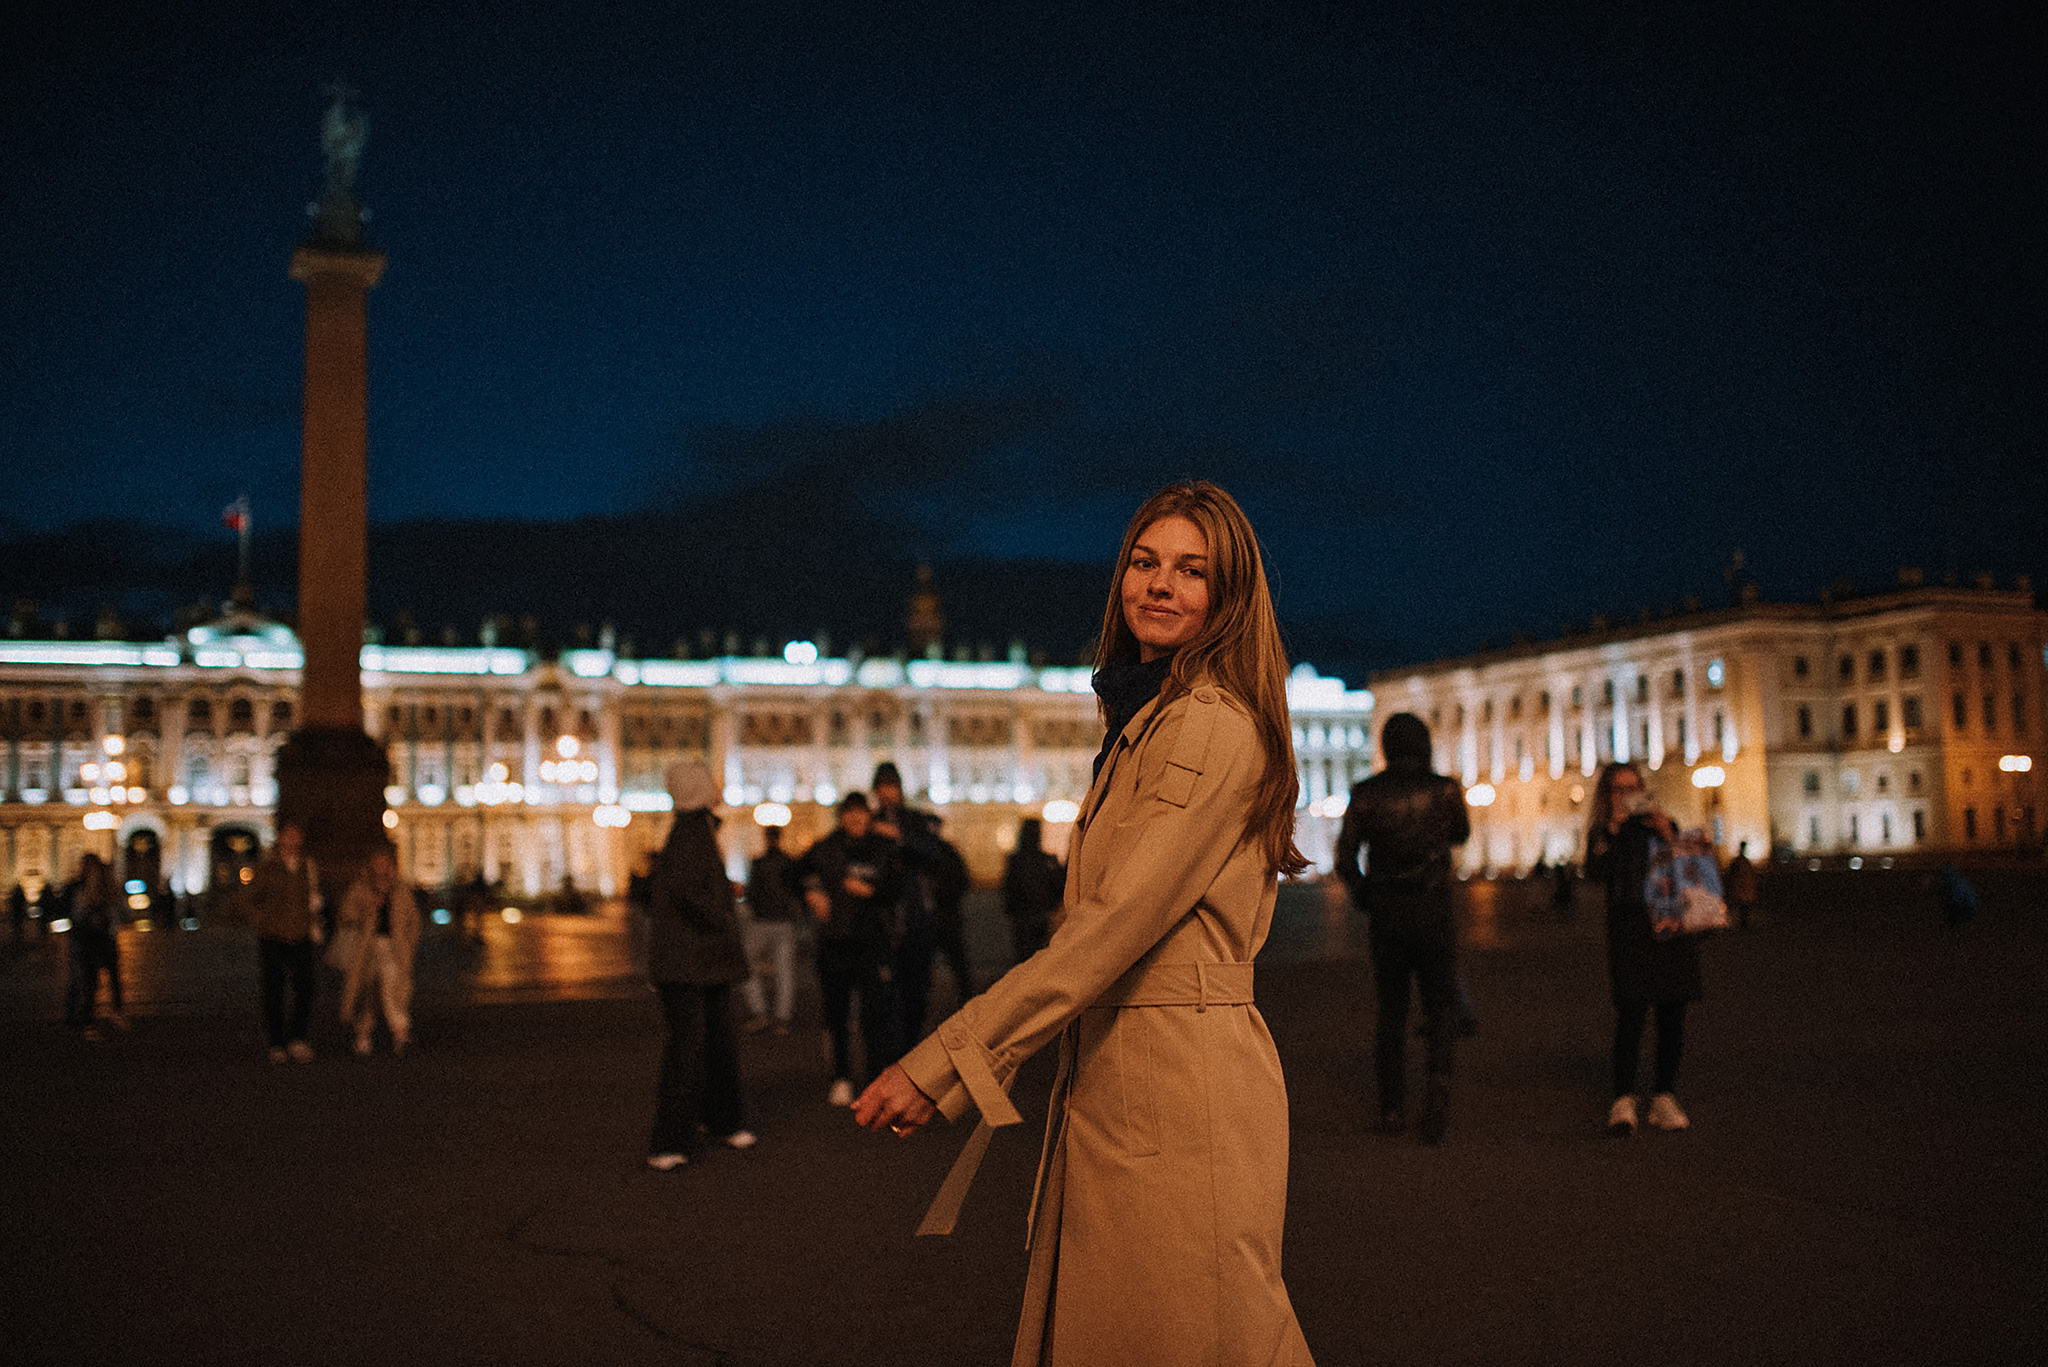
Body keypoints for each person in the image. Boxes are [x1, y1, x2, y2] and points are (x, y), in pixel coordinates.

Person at [854, 480, 1317, 1366]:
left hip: (1176, 1085)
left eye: (1191, 569)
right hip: (1129, 1071)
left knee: (1202, 1335)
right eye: (1144, 562)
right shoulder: (1147, 721)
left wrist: (950, 1056)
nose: (1159, 584)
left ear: (1230, 595)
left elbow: (1108, 931)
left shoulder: (1204, 728)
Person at [1333, 713, 1472, 1144]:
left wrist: (1366, 895)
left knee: (1391, 1010)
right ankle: (1437, 1095)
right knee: (1439, 1006)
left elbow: (1345, 858)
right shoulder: (1444, 789)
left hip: (1388, 917)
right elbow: (1462, 834)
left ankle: (1392, 1106)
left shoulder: (1365, 794)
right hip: (1434, 912)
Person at [643, 761, 756, 1168]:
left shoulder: (696, 830)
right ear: (698, 789)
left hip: (699, 960)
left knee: (715, 1041)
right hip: (690, 961)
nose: (718, 786)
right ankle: (669, 1141)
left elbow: (688, 887)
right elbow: (689, 893)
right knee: (689, 1048)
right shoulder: (693, 832)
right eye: (710, 781)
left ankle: (720, 1121)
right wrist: (724, 913)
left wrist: (722, 891)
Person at [1585, 761, 1701, 1134]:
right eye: (1619, 789)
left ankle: (1664, 1096)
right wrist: (1616, 827)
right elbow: (1595, 871)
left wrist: (1670, 833)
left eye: (1633, 787)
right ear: (1608, 795)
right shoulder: (1605, 832)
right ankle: (1624, 1099)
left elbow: (1686, 866)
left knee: (1672, 1012)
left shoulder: (1659, 824)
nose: (1628, 795)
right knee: (1631, 1013)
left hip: (1668, 924)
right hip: (1630, 929)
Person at [794, 792, 906, 1106]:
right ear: (841, 816)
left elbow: (898, 888)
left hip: (873, 942)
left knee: (874, 1015)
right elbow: (792, 874)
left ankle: (873, 1078)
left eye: (861, 812)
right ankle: (841, 1076)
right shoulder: (825, 847)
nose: (855, 818)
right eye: (849, 812)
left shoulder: (882, 849)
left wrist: (872, 891)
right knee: (836, 1015)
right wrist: (811, 892)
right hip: (835, 942)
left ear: (869, 816)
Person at [871, 761, 948, 1045]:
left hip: (916, 917)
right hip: (883, 919)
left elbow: (931, 851)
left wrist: (899, 837)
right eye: (882, 787)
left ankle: (910, 1046)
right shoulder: (869, 822)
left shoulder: (915, 820)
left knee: (916, 991)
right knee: (886, 994)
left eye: (892, 786)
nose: (888, 793)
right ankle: (891, 1053)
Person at [247, 823, 323, 1063]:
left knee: (305, 988)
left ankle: (298, 1038)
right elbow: (248, 898)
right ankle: (276, 1042)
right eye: (288, 835)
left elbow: (315, 895)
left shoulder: (308, 866)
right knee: (273, 990)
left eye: (296, 835)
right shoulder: (266, 866)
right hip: (272, 936)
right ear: (279, 838)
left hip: (301, 935)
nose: (292, 840)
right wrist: (262, 921)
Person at [337, 844, 421, 1057]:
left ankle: (400, 1032)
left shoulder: (400, 890)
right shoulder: (361, 888)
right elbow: (345, 913)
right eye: (377, 862)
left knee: (393, 988)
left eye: (385, 862)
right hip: (366, 948)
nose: (381, 866)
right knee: (367, 992)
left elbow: (413, 919)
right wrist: (366, 910)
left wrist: (409, 944)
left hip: (393, 948)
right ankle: (363, 1034)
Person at [740, 823, 802, 1036]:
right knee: (785, 971)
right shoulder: (789, 863)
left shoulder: (759, 863)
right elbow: (798, 892)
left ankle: (760, 1012)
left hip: (762, 921)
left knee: (746, 965)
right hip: (784, 922)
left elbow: (751, 894)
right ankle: (782, 1018)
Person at [65, 853, 127, 1038]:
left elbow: (116, 913)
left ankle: (109, 1013)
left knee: (108, 978)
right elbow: (76, 913)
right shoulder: (80, 887)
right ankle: (84, 1017)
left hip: (100, 939)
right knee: (86, 980)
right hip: (87, 940)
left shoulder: (104, 889)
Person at [999, 817, 1063, 965]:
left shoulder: (1016, 860)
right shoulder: (1044, 860)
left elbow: (1009, 888)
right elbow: (1057, 884)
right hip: (1037, 914)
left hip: (1024, 915)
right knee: (1038, 957)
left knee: (1024, 958)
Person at [1724, 841, 1759, 929]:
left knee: (1744, 906)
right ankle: (1743, 923)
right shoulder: (1740, 861)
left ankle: (1744, 923)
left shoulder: (1741, 861)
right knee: (1743, 906)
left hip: (1744, 887)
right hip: (1742, 887)